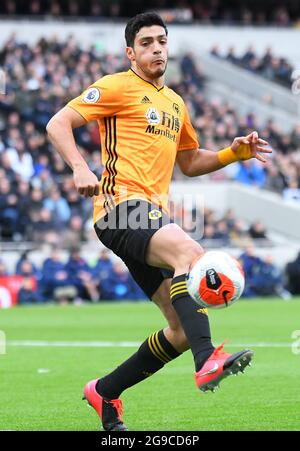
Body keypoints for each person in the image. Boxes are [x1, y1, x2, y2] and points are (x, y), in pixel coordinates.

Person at [46, 12, 271, 431]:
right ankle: (208, 362)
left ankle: (105, 391)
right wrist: (79, 167)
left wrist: (232, 153)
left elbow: (189, 161)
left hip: (149, 216)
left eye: (162, 41)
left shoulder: (175, 103)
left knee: (180, 329)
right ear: (131, 52)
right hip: (119, 206)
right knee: (191, 252)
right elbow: (58, 122)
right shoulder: (117, 86)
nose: (156, 48)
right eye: (147, 42)